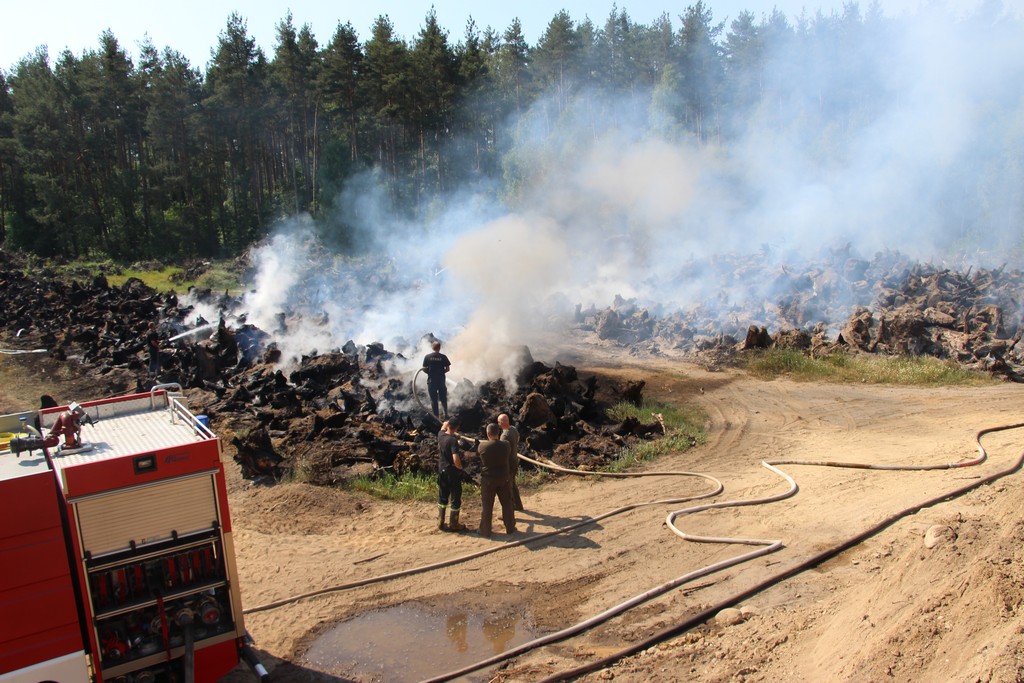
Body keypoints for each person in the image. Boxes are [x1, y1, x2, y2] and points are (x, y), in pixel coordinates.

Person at [474, 423, 517, 538]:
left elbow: (477, 454)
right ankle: (510, 527)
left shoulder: (482, 446)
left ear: (488, 433)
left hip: (489, 480)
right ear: (499, 433)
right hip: (504, 478)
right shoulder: (506, 445)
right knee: (507, 503)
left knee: (487, 506)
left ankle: (485, 530)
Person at [437, 417, 470, 532]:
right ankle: (454, 524)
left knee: (442, 496)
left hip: (441, 470)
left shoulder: (441, 435)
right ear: (456, 428)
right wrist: (460, 467)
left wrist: (447, 424)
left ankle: (440, 521)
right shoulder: (452, 441)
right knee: (456, 497)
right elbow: (455, 458)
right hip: (451, 472)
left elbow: (443, 426)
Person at [498, 413, 524, 511]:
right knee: (512, 484)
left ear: (502, 423)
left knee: (507, 486)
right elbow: (518, 438)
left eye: (498, 422)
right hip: (514, 459)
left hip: (509, 463)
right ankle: (518, 505)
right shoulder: (513, 428)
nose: (498, 424)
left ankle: (510, 508)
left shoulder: (504, 435)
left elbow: (502, 452)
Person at [422, 340, 451, 418]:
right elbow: (448, 369)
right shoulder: (443, 357)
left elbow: (424, 369)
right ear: (439, 348)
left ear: (432, 347)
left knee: (433, 400)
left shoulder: (427, 357)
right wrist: (441, 372)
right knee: (443, 398)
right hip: (441, 381)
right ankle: (446, 415)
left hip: (431, 381)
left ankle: (436, 417)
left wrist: (430, 373)